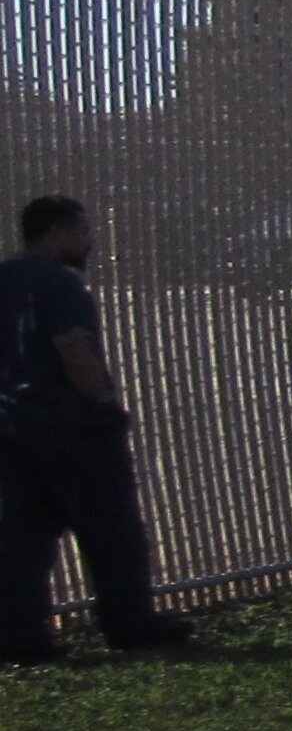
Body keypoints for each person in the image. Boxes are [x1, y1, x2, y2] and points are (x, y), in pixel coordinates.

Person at [0, 196, 189, 660]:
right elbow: (74, 349)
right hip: (70, 423)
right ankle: (130, 623)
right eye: (82, 231)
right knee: (112, 526)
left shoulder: (6, 279)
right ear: (55, 232)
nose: (89, 241)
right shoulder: (60, 284)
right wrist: (104, 403)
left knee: (24, 535)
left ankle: (20, 637)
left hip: (13, 424)